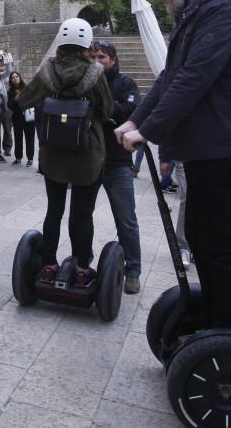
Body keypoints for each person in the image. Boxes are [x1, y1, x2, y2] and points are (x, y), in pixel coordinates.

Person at [115, 0, 231, 334]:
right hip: (210, 146)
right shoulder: (196, 16)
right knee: (201, 238)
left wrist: (147, 132)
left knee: (220, 243)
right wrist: (136, 121)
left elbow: (193, 79)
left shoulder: (223, 14)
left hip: (229, 144)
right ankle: (215, 317)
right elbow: (170, 77)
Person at [16, 18, 113, 288]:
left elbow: (22, 100)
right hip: (87, 155)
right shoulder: (95, 74)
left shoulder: (48, 71)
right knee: (82, 214)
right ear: (86, 45)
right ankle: (82, 268)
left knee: (54, 210)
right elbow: (107, 110)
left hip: (53, 153)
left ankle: (48, 265)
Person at [89, 39, 142, 294]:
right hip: (89, 161)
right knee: (81, 216)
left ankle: (133, 270)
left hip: (118, 164)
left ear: (113, 60)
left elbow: (130, 109)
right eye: (93, 57)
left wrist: (102, 110)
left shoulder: (126, 83)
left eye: (102, 57)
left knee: (126, 220)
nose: (97, 62)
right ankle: (82, 263)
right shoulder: (86, 80)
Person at [7, 71, 36, 166]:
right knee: (18, 138)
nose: (15, 79)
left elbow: (33, 101)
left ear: (20, 77)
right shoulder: (10, 91)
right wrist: (15, 100)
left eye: (17, 77)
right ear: (11, 80)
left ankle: (30, 158)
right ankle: (18, 158)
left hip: (29, 117)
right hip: (17, 118)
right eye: (13, 77)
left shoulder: (27, 88)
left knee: (30, 138)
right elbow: (10, 105)